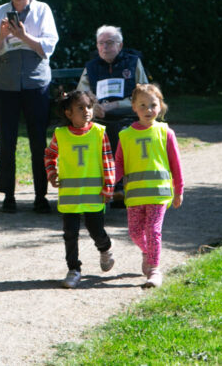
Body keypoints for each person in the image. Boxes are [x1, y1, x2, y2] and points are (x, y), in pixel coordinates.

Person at [0, 0, 59, 213]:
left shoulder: (43, 11)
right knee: (7, 141)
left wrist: (24, 36)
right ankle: (8, 196)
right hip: (5, 84)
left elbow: (48, 47)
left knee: (38, 141)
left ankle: (40, 196)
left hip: (36, 83)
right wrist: (3, 36)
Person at [43, 90, 116, 289]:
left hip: (94, 195)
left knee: (96, 230)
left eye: (89, 107)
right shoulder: (61, 134)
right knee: (70, 234)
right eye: (80, 108)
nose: (86, 111)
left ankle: (105, 248)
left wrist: (109, 185)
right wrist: (52, 173)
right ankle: (74, 269)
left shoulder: (99, 132)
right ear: (68, 113)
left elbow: (108, 159)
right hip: (69, 196)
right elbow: (49, 155)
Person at [115, 83, 184, 289]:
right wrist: (110, 183)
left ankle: (154, 270)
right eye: (142, 105)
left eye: (153, 105)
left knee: (153, 230)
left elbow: (175, 163)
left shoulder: (165, 132)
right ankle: (147, 251)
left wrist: (178, 190)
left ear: (160, 106)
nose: (148, 110)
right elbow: (119, 163)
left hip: (159, 193)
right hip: (135, 195)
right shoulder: (125, 136)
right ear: (134, 107)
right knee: (135, 232)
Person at [76, 25, 149, 205]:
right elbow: (81, 95)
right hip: (99, 116)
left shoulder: (132, 62)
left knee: (118, 131)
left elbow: (145, 94)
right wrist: (93, 107)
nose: (105, 47)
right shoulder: (91, 67)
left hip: (127, 113)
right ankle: (110, 187)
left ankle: (118, 186)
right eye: (101, 43)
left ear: (120, 45)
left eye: (110, 43)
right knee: (102, 131)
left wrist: (117, 104)